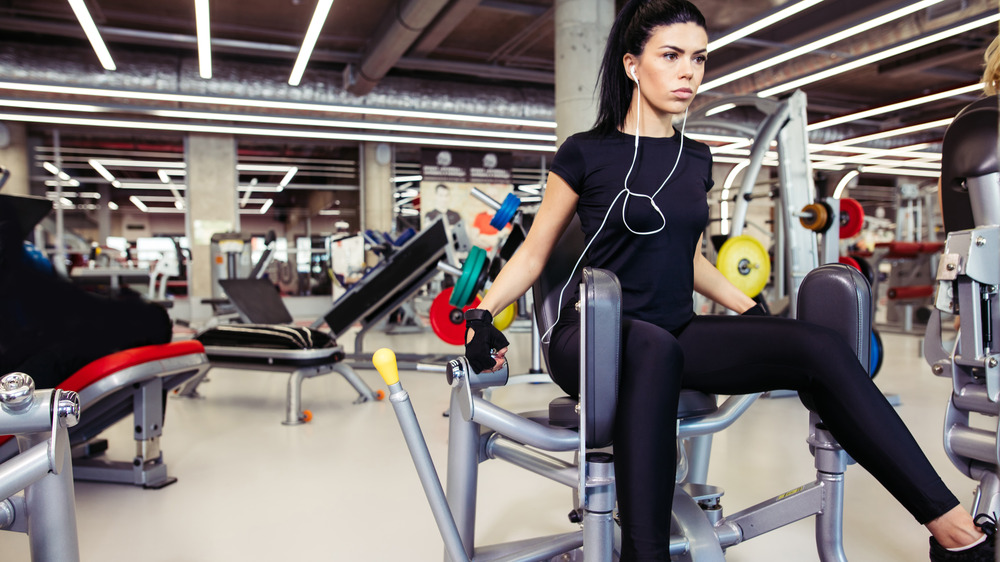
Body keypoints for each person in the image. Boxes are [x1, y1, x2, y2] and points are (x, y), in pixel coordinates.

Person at [462, 1, 996, 560]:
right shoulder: (585, 153)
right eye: (670, 56)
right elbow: (533, 252)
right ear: (631, 65)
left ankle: (958, 535)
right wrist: (481, 314)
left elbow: (690, 259)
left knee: (814, 346)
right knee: (650, 345)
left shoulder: (696, 158)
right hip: (590, 339)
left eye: (698, 58)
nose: (688, 71)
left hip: (673, 329)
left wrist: (752, 311)